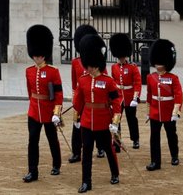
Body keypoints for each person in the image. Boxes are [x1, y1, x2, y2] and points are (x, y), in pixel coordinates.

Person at [72, 34, 121, 193]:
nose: (89, 69)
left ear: (98, 65)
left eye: (92, 66)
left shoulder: (108, 81)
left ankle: (115, 173)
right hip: (87, 122)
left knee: (108, 149)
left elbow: (116, 101)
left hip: (103, 122)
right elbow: (78, 101)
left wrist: (115, 122)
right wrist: (76, 117)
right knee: (86, 153)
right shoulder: (83, 80)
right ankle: (86, 182)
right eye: (88, 66)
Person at [23, 25, 63, 183]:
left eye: (39, 56)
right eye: (35, 55)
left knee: (52, 138)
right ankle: (32, 171)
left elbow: (58, 94)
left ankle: (56, 164)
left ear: (44, 55)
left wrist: (56, 112)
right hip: (34, 111)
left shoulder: (53, 71)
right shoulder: (29, 71)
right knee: (33, 140)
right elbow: (30, 92)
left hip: (48, 111)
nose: (37, 58)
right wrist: (33, 104)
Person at [146, 38, 183, 171]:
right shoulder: (151, 77)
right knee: (154, 137)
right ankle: (155, 161)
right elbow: (150, 95)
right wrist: (149, 111)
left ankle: (174, 155)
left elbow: (178, 95)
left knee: (171, 135)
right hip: (156, 111)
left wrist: (176, 112)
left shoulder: (173, 78)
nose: (157, 64)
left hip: (168, 111)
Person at [68, 24, 98, 164]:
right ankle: (76, 152)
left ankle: (101, 147)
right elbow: (74, 84)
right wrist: (75, 100)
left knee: (97, 124)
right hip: (81, 100)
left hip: (93, 98)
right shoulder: (75, 62)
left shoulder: (97, 63)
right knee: (77, 125)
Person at [109, 33, 142, 149]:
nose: (122, 58)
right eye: (120, 57)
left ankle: (135, 139)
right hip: (118, 97)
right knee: (116, 118)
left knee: (131, 119)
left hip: (129, 97)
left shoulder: (132, 67)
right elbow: (113, 82)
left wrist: (135, 97)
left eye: (123, 57)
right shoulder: (114, 67)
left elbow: (137, 83)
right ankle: (117, 141)